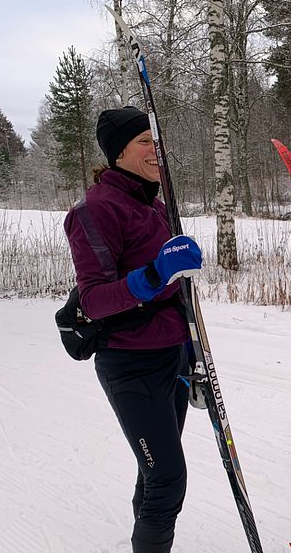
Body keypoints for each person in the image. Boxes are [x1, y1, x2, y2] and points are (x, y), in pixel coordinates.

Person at [64, 106, 203, 553]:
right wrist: (156, 272)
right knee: (167, 478)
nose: (155, 151)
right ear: (118, 152)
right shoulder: (94, 210)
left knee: (155, 470)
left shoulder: (154, 204)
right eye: (145, 142)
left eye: (156, 142)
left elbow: (175, 292)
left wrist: (194, 352)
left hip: (173, 355)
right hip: (130, 362)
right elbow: (94, 300)